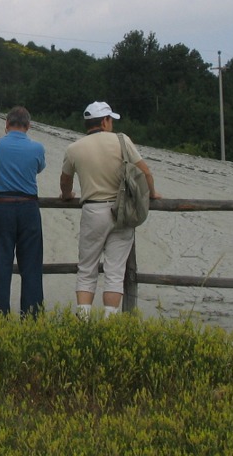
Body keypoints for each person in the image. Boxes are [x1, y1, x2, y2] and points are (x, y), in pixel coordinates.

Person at [59, 101, 160, 318]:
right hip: (121, 211)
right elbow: (145, 172)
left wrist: (67, 196)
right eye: (110, 119)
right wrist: (152, 194)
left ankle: (83, 321)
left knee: (87, 269)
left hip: (92, 211)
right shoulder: (122, 141)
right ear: (104, 121)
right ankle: (109, 323)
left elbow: (65, 180)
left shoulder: (74, 148)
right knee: (115, 271)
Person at [0, 106, 46, 318]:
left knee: (0, 265)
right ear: (28, 126)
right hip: (29, 207)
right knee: (32, 266)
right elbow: (39, 168)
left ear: (6, 124)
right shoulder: (37, 147)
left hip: (1, 206)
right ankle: (31, 317)